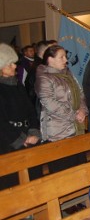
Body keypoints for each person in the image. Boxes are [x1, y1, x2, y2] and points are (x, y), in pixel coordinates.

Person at [36, 45, 88, 173]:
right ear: (50, 60)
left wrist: (82, 110)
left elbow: (80, 93)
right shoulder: (44, 77)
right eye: (62, 57)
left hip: (76, 127)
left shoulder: (68, 73)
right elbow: (49, 102)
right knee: (63, 169)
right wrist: (73, 114)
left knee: (79, 165)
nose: (66, 60)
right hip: (58, 130)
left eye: (65, 56)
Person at [0, 43, 42, 189]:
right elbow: (1, 124)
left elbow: (31, 110)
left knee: (35, 181)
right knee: (14, 185)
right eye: (10, 64)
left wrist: (33, 131)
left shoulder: (18, 85)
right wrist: (21, 140)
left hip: (29, 138)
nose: (14, 66)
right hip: (8, 144)